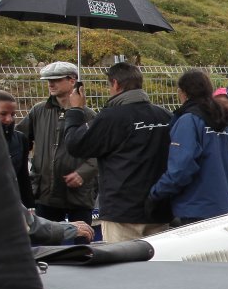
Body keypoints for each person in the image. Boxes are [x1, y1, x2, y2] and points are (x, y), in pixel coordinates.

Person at [61, 61, 174, 242]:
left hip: (122, 212)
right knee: (158, 259)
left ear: (115, 84)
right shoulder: (165, 115)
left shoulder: (111, 117)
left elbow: (75, 145)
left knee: (122, 259)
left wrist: (75, 110)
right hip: (159, 208)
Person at [149, 69, 228, 226]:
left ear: (183, 93)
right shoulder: (225, 123)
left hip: (192, 210)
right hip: (223, 208)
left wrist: (156, 193)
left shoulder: (188, 121)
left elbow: (181, 168)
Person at [17, 61, 96, 224]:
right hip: (45, 193)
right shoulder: (38, 111)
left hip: (79, 194)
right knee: (46, 239)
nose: (50, 84)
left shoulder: (89, 115)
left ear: (72, 80)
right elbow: (19, 140)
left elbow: (101, 152)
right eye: (48, 80)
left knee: (82, 238)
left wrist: (83, 173)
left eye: (56, 79)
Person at [0, 90, 32, 206]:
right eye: (3, 114)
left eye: (12, 114)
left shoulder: (20, 139)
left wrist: (29, 206)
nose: (9, 119)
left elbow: (23, 177)